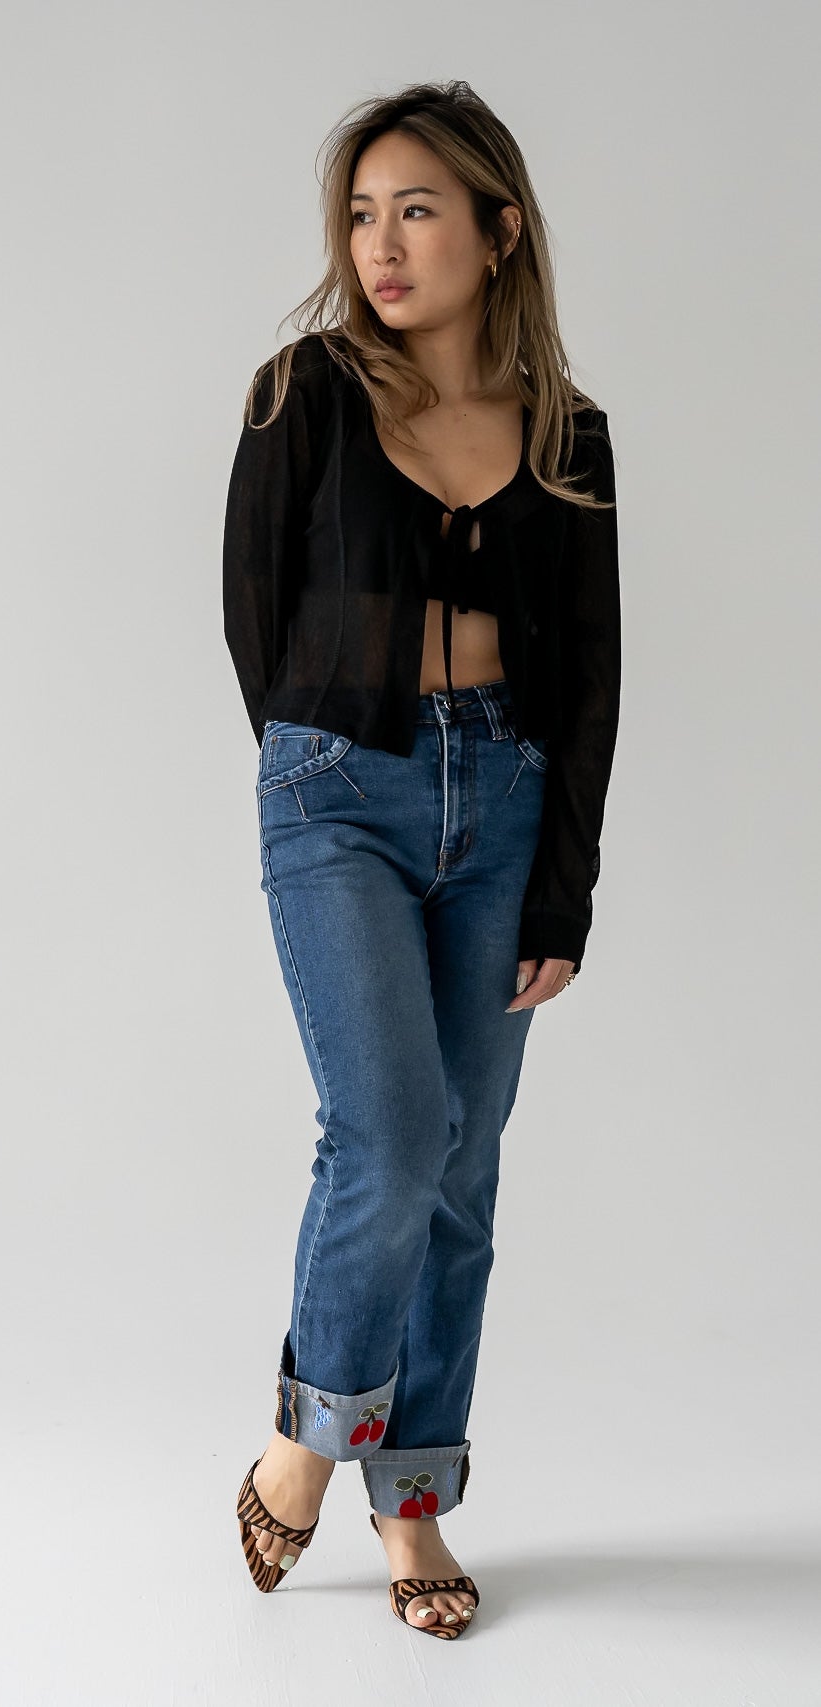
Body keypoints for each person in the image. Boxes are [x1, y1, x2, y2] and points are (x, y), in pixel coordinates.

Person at [223, 81, 621, 1641]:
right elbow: (256, 620)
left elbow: (590, 677)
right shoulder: (304, 395)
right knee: (387, 1139)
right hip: (336, 791)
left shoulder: (569, 435)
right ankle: (311, 1435)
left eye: (418, 211)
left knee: (461, 1173)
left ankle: (415, 1502)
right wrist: (314, 768)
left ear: (499, 231)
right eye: (363, 214)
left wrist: (564, 886)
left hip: (508, 801)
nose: (380, 244)